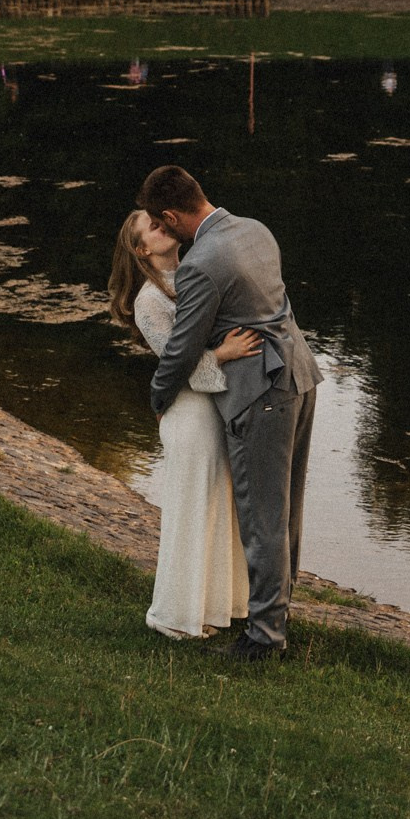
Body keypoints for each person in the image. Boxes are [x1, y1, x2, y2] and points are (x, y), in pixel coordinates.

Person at [138, 165, 322, 661]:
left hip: (261, 391)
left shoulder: (202, 264)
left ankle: (265, 638)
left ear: (173, 216)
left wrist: (158, 399)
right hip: (301, 374)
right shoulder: (255, 229)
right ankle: (278, 613)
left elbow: (180, 352)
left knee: (261, 518)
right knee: (287, 511)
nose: (160, 230)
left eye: (160, 222)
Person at [108, 210, 261, 639]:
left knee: (220, 505)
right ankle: (176, 616)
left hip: (216, 409)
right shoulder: (149, 302)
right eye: (151, 228)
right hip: (189, 415)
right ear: (142, 250)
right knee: (192, 509)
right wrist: (226, 353)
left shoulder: (196, 272)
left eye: (161, 219)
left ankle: (219, 607)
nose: (161, 226)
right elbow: (182, 368)